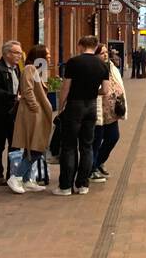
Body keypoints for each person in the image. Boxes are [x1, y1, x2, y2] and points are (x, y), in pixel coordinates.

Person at [54, 35, 111, 196]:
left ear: (80, 45)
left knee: (69, 146)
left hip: (74, 105)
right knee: (87, 146)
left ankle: (65, 186)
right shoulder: (103, 64)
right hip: (91, 106)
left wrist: (61, 106)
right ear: (96, 46)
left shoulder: (73, 62)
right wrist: (93, 92)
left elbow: (66, 87)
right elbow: (105, 90)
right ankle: (83, 185)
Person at [7, 44, 54, 194]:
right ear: (39, 56)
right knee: (35, 148)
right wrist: (36, 108)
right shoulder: (29, 69)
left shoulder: (38, 70)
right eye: (46, 55)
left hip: (37, 113)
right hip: (32, 114)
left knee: (33, 147)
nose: (49, 57)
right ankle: (16, 177)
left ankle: (27, 180)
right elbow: (27, 90)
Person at [0, 40, 24, 187]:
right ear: (7, 53)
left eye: (20, 53)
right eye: (17, 53)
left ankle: (12, 175)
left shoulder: (16, 68)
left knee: (15, 144)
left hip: (13, 111)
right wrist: (13, 97)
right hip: (0, 112)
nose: (19, 56)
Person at [91, 42, 128, 183]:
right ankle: (92, 168)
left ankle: (98, 162)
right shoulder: (94, 68)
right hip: (99, 111)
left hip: (112, 112)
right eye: (102, 53)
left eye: (106, 52)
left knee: (113, 137)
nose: (105, 54)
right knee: (96, 140)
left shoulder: (111, 67)